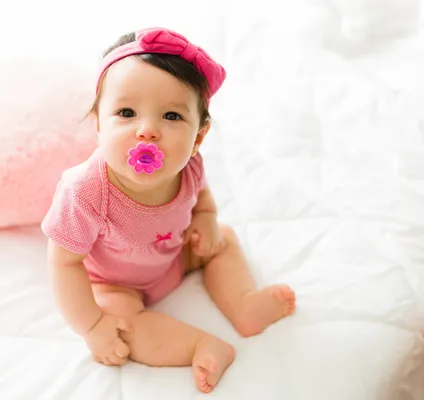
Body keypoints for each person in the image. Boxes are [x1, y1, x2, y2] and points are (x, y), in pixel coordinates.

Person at [41, 27, 296, 393]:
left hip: (174, 255)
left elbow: (202, 199)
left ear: (198, 136)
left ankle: (242, 305)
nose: (148, 131)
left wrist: (206, 220)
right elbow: (64, 264)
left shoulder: (190, 166)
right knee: (121, 321)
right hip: (114, 282)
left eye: (172, 117)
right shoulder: (84, 192)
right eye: (126, 112)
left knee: (223, 238)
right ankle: (200, 345)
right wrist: (93, 327)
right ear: (98, 124)